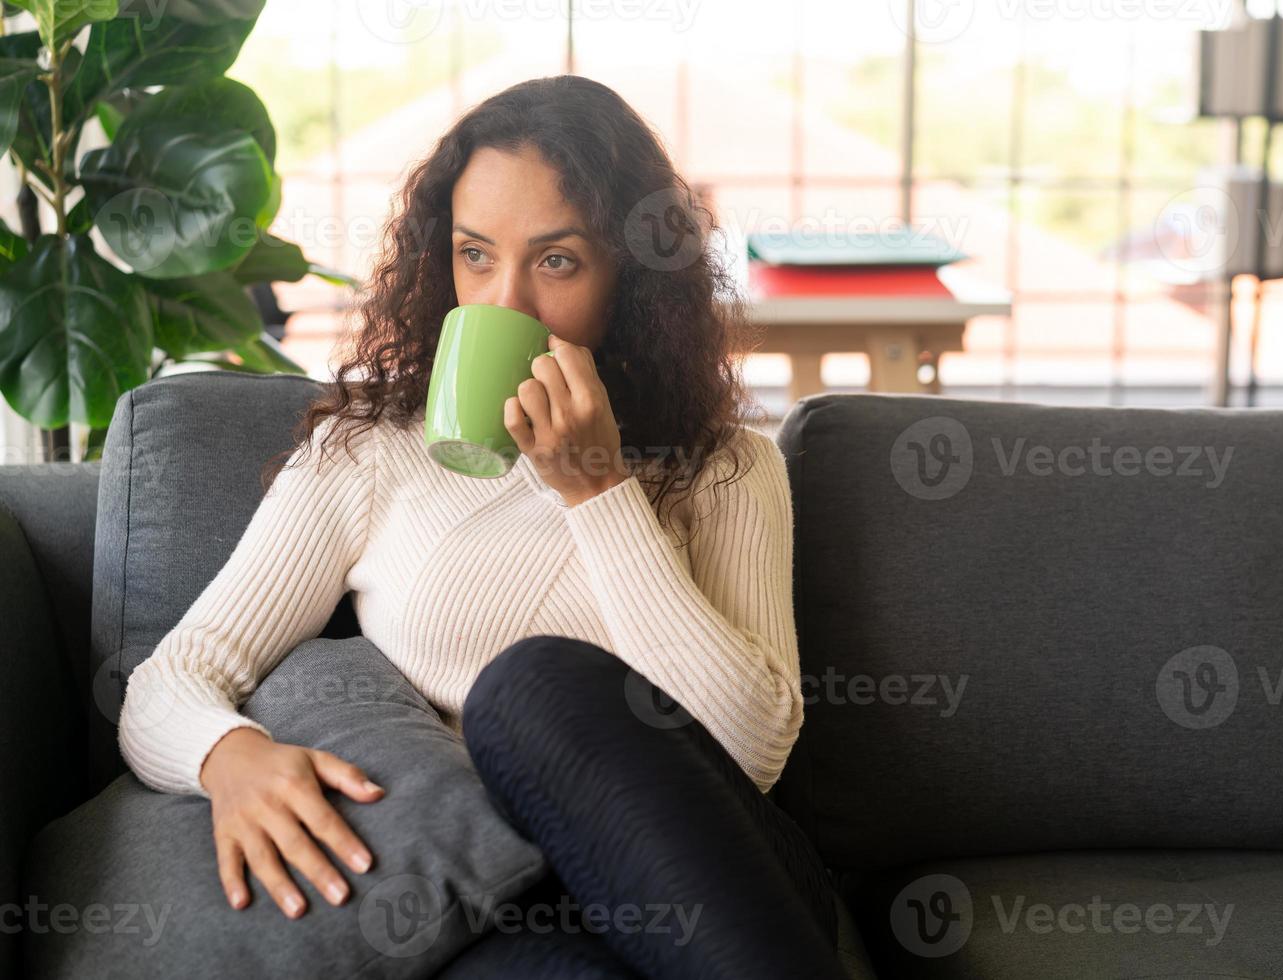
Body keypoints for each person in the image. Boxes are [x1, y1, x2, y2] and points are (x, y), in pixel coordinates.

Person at [117, 74, 846, 978]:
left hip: (716, 882)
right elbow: (170, 679)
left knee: (531, 685)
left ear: (633, 276)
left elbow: (751, 749)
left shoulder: (723, 465)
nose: (503, 305)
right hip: (495, 899)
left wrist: (597, 492)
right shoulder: (370, 451)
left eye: (556, 261)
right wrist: (230, 759)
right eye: (473, 255)